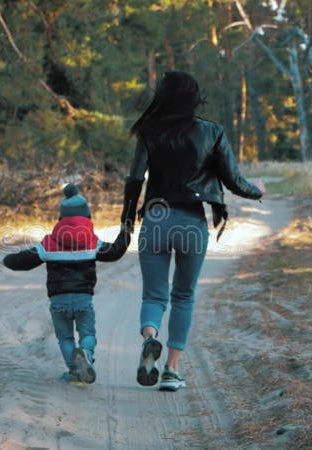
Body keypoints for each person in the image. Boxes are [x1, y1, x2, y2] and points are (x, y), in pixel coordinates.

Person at [120, 70, 266, 392]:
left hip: (156, 219)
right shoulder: (212, 132)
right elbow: (234, 181)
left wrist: (126, 225)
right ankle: (172, 371)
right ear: (193, 98)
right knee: (183, 295)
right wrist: (258, 190)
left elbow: (134, 180)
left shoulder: (148, 131)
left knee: (154, 295)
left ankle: (150, 338)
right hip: (191, 222)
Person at [3, 184, 131, 384]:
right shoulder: (93, 243)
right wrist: (126, 230)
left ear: (60, 219)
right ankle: (86, 354)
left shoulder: (48, 244)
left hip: (59, 302)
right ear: (88, 218)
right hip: (83, 300)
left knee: (65, 338)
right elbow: (115, 252)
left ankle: (74, 371)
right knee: (88, 334)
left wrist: (7, 260)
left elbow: (21, 262)